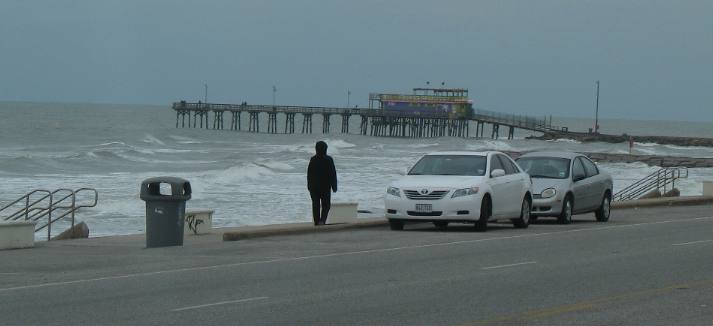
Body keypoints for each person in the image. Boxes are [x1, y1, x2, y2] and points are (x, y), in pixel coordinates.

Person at [307, 141, 337, 225]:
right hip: (325, 187)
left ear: (316, 149)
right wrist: (334, 186)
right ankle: (322, 220)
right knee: (326, 205)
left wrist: (309, 186)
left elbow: (309, 174)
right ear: (325, 149)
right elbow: (333, 174)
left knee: (315, 205)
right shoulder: (329, 159)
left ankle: (317, 222)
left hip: (314, 187)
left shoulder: (313, 159)